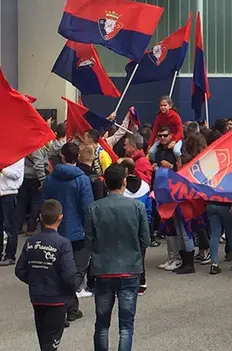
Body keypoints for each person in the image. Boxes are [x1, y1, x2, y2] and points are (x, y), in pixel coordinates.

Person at [85, 164, 150, 351]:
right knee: (126, 326)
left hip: (103, 268)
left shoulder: (94, 208)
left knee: (102, 323)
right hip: (129, 268)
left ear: (105, 183)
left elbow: (88, 242)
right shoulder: (137, 207)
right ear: (124, 182)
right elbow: (145, 240)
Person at [42, 142, 94, 323]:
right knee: (77, 270)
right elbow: (87, 207)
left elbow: (44, 203)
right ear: (77, 157)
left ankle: (71, 308)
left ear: (62, 157)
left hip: (55, 229)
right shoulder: (82, 179)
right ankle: (65, 307)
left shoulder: (50, 178)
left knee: (58, 269)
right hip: (78, 231)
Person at [15, 200, 78, 351]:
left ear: (41, 218)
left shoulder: (31, 242)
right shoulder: (63, 243)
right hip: (56, 299)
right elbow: (69, 275)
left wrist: (35, 280)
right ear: (60, 218)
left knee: (44, 339)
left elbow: (20, 270)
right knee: (52, 342)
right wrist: (69, 292)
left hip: (37, 297)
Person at [119, 158, 152, 295]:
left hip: (125, 226)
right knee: (140, 255)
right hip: (141, 224)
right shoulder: (145, 186)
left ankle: (127, 282)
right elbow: (149, 208)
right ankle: (141, 282)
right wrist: (147, 224)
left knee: (125, 254)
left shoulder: (120, 189)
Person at [0, 157, 24, 265]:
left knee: (10, 226)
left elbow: (17, 174)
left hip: (9, 193)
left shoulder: (18, 156)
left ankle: (10, 255)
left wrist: (3, 169)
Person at [18, 146, 47, 235]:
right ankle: (31, 228)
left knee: (21, 203)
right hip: (34, 177)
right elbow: (38, 165)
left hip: (24, 175)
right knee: (35, 203)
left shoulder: (24, 144)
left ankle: (18, 226)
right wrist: (43, 180)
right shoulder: (37, 147)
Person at [147, 96, 183, 161]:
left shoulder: (175, 116)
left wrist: (174, 141)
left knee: (176, 151)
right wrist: (149, 145)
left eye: (165, 105)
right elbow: (154, 132)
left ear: (170, 106)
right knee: (151, 152)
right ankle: (155, 163)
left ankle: (180, 164)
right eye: (161, 105)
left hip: (176, 138)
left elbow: (180, 132)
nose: (163, 107)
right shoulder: (159, 117)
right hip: (163, 138)